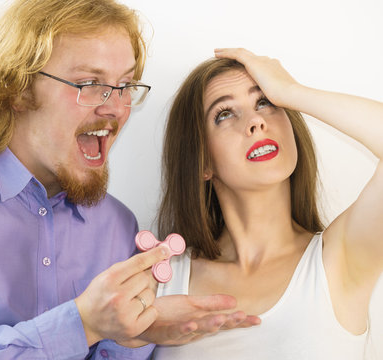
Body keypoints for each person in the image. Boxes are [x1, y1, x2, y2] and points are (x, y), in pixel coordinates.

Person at [0, 2, 261, 359]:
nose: (116, 109)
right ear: (17, 88)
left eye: (124, 86)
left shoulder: (117, 226)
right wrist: (83, 323)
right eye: (90, 84)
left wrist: (132, 335)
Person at [153, 48, 383, 359]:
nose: (256, 122)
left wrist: (291, 91)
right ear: (202, 161)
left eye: (265, 103)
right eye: (225, 114)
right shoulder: (162, 280)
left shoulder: (339, 259)